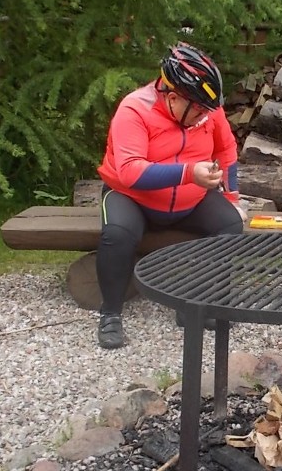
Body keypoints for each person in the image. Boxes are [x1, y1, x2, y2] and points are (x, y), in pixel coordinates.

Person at [95, 43, 243, 349]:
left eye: (208, 111)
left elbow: (226, 150)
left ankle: (197, 302)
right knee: (117, 233)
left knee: (230, 225)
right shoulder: (134, 109)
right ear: (173, 98)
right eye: (199, 110)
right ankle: (110, 313)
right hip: (132, 197)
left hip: (190, 199)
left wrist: (232, 198)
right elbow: (131, 172)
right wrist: (190, 173)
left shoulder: (208, 110)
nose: (205, 117)